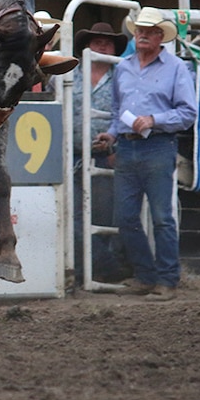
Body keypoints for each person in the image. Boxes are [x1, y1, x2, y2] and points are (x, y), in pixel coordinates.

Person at [94, 7, 197, 301]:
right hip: (127, 146)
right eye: (139, 30)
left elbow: (188, 112)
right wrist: (111, 134)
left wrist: (154, 120)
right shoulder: (124, 68)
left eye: (148, 31)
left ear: (159, 36)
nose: (141, 35)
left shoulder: (176, 67)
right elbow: (117, 111)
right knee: (125, 216)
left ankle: (166, 279)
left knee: (162, 216)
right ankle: (146, 275)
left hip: (158, 146)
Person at [72, 22, 131, 285]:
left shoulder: (123, 76)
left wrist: (116, 147)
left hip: (107, 155)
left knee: (104, 216)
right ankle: (98, 270)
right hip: (70, 154)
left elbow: (127, 113)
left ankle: (96, 270)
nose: (102, 44)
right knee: (74, 216)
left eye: (107, 41)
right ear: (87, 45)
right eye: (96, 40)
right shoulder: (67, 74)